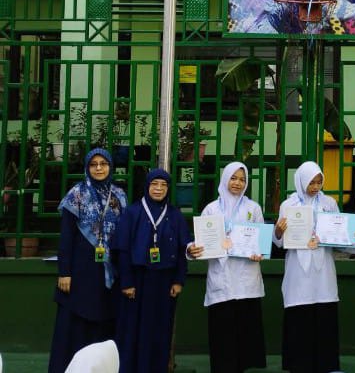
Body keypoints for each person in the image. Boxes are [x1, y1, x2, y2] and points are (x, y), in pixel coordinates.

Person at [273, 161, 355, 373]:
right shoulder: (288, 205)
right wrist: (278, 231)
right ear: (301, 181)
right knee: (300, 313)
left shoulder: (329, 203)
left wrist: (354, 239)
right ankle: (299, 365)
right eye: (311, 182)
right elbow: (279, 241)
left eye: (319, 182)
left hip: (323, 268)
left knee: (324, 312)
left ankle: (327, 365)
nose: (315, 187)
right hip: (298, 268)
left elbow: (339, 236)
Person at [48, 148, 128, 373]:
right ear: (87, 167)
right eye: (94, 164)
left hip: (109, 273)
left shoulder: (119, 195)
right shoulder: (76, 194)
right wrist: (64, 272)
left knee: (104, 323)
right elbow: (66, 237)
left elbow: (125, 235)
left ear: (110, 166)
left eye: (104, 163)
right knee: (76, 325)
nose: (99, 168)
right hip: (81, 271)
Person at [188, 162, 267, 372]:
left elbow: (261, 241)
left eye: (242, 179)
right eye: (233, 178)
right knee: (222, 336)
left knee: (244, 336)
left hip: (246, 281)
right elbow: (201, 242)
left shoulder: (253, 208)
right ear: (225, 179)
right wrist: (194, 249)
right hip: (221, 281)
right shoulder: (211, 209)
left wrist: (259, 251)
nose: (237, 183)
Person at [113, 168, 191, 373]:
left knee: (159, 330)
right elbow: (123, 249)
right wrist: (127, 282)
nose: (159, 189)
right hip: (137, 281)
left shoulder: (175, 214)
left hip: (164, 282)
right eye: (154, 184)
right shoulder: (133, 212)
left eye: (163, 185)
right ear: (147, 186)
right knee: (133, 330)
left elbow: (183, 249)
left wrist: (178, 280)